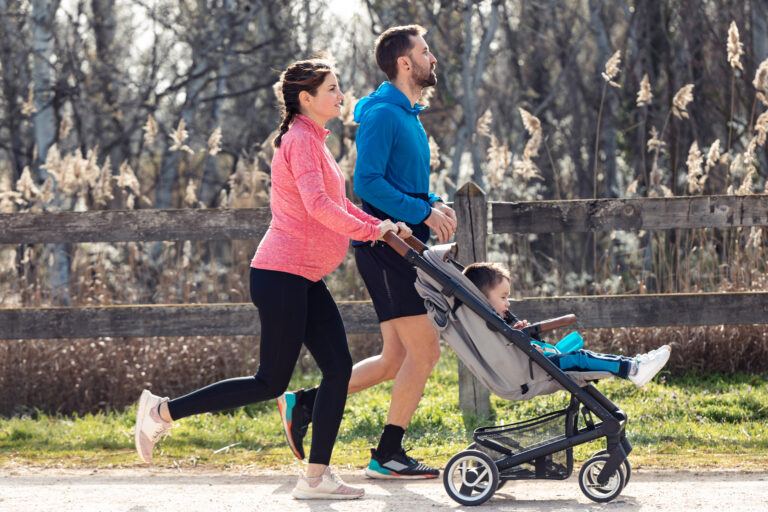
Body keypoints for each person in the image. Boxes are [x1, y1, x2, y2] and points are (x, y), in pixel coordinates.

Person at [134, 58, 409, 500]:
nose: (341, 96)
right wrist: (372, 231)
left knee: (338, 368)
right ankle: (162, 412)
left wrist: (384, 224)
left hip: (302, 277)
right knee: (270, 381)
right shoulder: (300, 142)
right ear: (306, 98)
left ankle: (315, 477)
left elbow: (339, 203)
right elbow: (318, 206)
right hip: (281, 275)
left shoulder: (315, 141)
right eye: (332, 89)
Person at [276, 25, 456, 479]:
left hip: (403, 245)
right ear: (404, 63)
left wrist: (430, 203)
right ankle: (387, 453)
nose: (432, 58)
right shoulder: (382, 115)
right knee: (427, 351)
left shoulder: (407, 115)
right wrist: (420, 211)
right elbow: (369, 183)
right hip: (386, 248)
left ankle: (306, 405)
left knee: (395, 358)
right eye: (424, 51)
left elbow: (401, 181)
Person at [462, 262, 671, 387]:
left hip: (535, 364)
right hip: (535, 370)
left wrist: (522, 334)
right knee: (580, 358)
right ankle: (632, 369)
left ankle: (633, 364)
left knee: (580, 354)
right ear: (483, 298)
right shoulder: (488, 324)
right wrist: (519, 338)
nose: (508, 303)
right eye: (503, 297)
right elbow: (505, 354)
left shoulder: (489, 322)